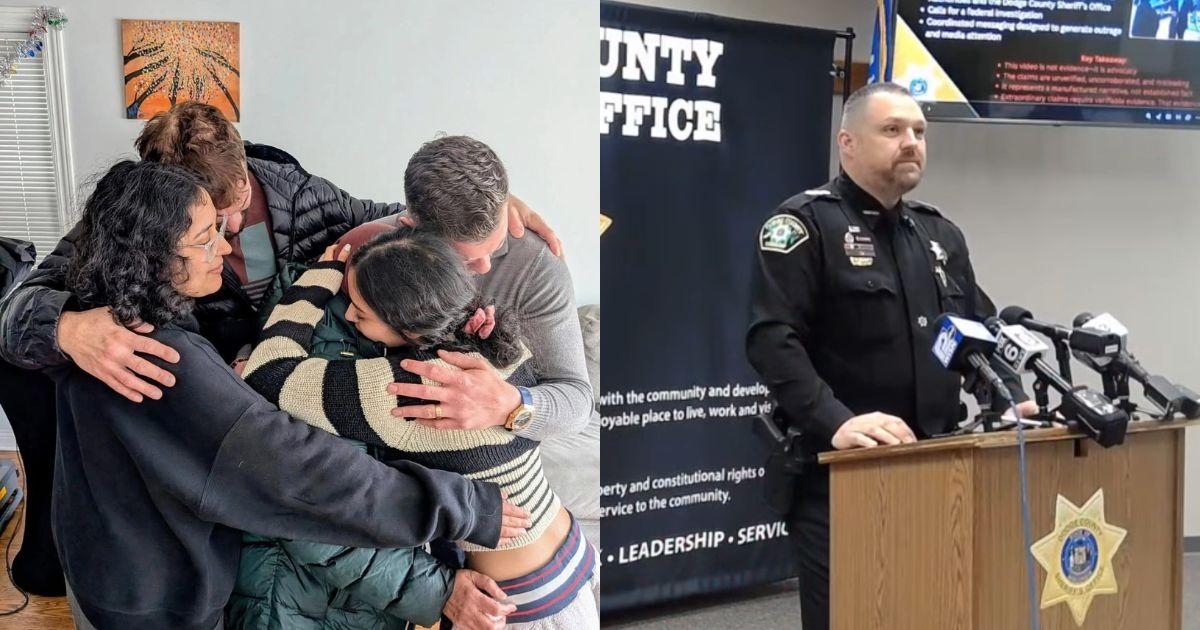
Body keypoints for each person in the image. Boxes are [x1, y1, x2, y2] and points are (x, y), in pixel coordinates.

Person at [0, 103, 581, 597]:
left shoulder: (302, 197)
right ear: (155, 214)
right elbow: (16, 310)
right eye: (205, 230)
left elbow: (400, 221)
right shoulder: (120, 254)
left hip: (260, 432)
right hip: (219, 422)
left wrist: (493, 207)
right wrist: (64, 328)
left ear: (247, 171)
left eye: (233, 210)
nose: (227, 235)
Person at [51, 159, 531, 630]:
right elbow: (300, 471)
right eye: (204, 239)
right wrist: (460, 508)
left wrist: (496, 207)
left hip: (111, 568)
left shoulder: (101, 317)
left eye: (219, 227)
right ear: (152, 256)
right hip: (154, 600)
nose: (226, 246)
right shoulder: (159, 358)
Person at [745, 82, 1030, 630]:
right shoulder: (804, 224)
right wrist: (840, 423)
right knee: (854, 616)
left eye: (919, 132)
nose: (911, 142)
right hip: (844, 472)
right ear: (847, 143)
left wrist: (1010, 397)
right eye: (893, 130)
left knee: (932, 610)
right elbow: (773, 340)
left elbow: (977, 333)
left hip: (938, 466)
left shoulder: (939, 234)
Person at [238, 231, 598, 629]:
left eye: (362, 311)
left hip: (514, 598)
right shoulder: (495, 342)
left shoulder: (408, 386)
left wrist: (317, 280)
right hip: (565, 544)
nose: (352, 317)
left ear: (406, 322)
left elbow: (268, 373)